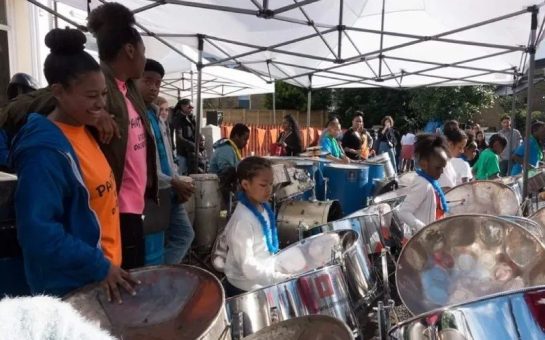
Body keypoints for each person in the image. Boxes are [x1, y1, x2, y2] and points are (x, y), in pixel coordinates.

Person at [11, 28, 137, 300]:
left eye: (104, 94)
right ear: (58, 91)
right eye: (92, 96)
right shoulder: (43, 151)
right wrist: (99, 265)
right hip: (71, 291)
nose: (101, 104)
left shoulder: (86, 127)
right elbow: (38, 233)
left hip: (101, 279)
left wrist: (107, 266)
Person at [88, 2, 158, 270]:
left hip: (134, 207)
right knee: (129, 287)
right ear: (130, 50)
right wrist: (96, 113)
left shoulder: (128, 88)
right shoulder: (97, 84)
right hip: (116, 209)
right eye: (143, 51)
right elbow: (37, 102)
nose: (143, 57)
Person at [137, 59, 195, 264]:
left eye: (158, 83)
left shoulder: (157, 116)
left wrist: (176, 178)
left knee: (184, 235)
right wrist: (173, 181)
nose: (153, 87)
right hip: (149, 194)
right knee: (152, 248)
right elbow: (140, 165)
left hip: (168, 188)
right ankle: (158, 275)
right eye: (148, 80)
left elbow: (166, 155)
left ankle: (163, 272)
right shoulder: (133, 115)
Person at [219, 157, 290, 294]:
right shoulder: (243, 220)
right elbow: (248, 267)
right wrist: (279, 279)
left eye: (271, 184)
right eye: (263, 185)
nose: (269, 190)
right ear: (246, 184)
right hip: (244, 286)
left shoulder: (263, 207)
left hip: (262, 277)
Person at [397, 134, 450, 232]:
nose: (442, 172)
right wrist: (424, 229)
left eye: (443, 167)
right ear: (423, 164)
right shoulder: (422, 184)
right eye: (438, 167)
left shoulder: (432, 183)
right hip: (422, 242)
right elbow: (404, 212)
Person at [171, 98, 196, 174]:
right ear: (182, 106)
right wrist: (191, 144)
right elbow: (179, 137)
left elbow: (195, 132)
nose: (191, 109)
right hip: (182, 152)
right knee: (182, 175)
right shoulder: (178, 119)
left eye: (192, 107)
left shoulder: (190, 117)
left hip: (191, 152)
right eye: (189, 107)